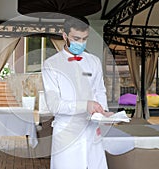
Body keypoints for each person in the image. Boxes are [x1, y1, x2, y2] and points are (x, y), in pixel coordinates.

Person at [42, 16, 113, 169]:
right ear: (64, 36)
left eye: (84, 39)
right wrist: (85, 105)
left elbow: (99, 90)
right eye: (76, 38)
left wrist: (103, 112)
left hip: (92, 128)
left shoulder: (94, 61)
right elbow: (54, 105)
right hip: (67, 132)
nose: (80, 43)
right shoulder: (51, 65)